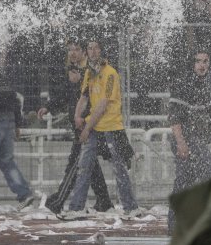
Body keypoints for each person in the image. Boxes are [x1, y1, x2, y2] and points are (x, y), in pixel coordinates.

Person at [38, 38, 112, 214]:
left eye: (77, 49)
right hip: (80, 126)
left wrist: (79, 81)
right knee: (89, 164)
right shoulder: (72, 71)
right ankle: (104, 201)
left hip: (89, 126)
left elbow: (94, 96)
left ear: (84, 52)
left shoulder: (90, 70)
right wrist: (48, 107)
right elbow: (65, 93)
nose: (72, 52)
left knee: (76, 163)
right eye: (70, 49)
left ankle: (58, 200)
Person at [66, 39, 138, 215]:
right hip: (95, 128)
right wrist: (77, 115)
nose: (92, 51)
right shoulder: (89, 73)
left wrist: (87, 128)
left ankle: (131, 208)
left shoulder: (110, 73)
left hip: (111, 128)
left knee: (119, 168)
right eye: (89, 48)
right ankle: (76, 208)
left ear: (102, 51)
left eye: (96, 47)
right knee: (84, 167)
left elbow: (103, 103)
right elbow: (84, 97)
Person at [167, 49, 211, 231]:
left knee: (185, 179)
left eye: (205, 61)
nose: (202, 65)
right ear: (192, 64)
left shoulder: (202, 85)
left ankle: (179, 222)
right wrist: (181, 142)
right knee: (206, 171)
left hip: (193, 138)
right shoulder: (183, 83)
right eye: (198, 61)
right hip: (185, 137)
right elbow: (174, 117)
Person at [0, 57, 42, 211]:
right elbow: (15, 100)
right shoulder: (4, 77)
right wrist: (17, 124)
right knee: (7, 161)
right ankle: (24, 193)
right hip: (8, 122)